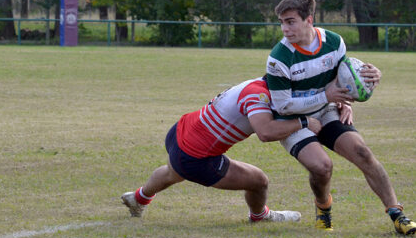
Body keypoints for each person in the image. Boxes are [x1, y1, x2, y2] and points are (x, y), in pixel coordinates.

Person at [265, 0, 416, 235]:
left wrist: (370, 78)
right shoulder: (278, 59)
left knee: (363, 152)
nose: (285, 29)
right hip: (293, 119)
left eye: (291, 22)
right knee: (322, 167)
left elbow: (346, 76)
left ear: (309, 20)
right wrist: (326, 96)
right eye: (282, 23)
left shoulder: (334, 43)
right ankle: (323, 207)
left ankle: (397, 214)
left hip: (326, 111)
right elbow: (283, 105)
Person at [121, 77, 322, 223]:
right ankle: (260, 216)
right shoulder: (259, 96)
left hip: (180, 131)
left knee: (173, 171)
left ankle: (138, 198)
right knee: (259, 181)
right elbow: (266, 132)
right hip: (194, 156)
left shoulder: (258, 84)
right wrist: (304, 122)